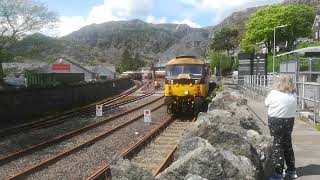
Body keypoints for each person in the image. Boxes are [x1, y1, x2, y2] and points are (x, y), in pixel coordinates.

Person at [265, 75, 298, 180]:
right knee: (288, 144)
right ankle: (291, 170)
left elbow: (266, 103)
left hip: (276, 121)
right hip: (289, 121)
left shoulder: (274, 93)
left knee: (277, 145)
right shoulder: (293, 94)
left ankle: (278, 173)